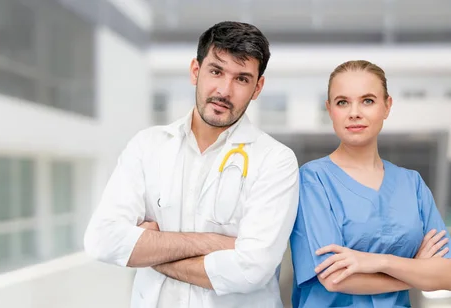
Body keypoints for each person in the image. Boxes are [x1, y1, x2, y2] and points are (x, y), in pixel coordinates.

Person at [83, 21, 300, 308]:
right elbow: (102, 241)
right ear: (195, 71)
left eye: (242, 79)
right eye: (216, 71)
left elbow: (252, 270)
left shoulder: (276, 160)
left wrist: (152, 254)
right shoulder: (147, 146)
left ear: (257, 87)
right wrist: (210, 242)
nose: (224, 90)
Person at [289, 60, 451, 308]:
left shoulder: (411, 184)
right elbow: (334, 278)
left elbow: (448, 276)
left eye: (367, 100)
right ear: (329, 110)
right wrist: (416, 272)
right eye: (342, 102)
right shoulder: (313, 180)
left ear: (387, 106)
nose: (354, 112)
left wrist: (380, 262)